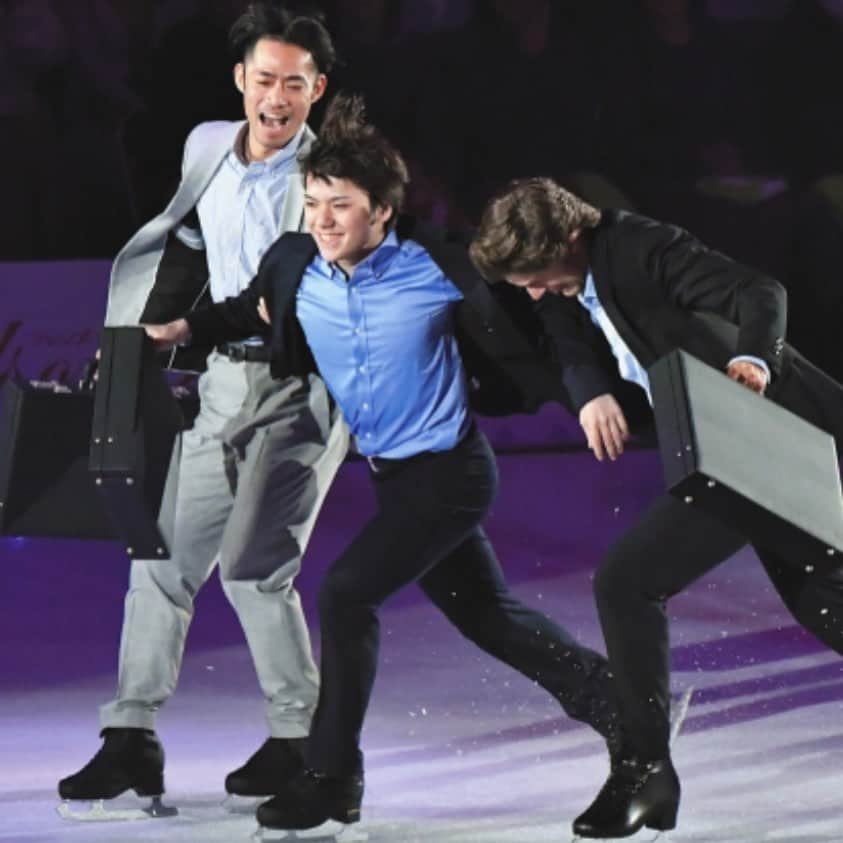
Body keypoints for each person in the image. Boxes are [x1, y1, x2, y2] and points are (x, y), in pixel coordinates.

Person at [145, 95, 621, 836]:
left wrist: (589, 393)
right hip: (396, 477)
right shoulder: (296, 262)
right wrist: (182, 327)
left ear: (383, 213)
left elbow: (549, 312)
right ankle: (622, 706)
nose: (321, 219)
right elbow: (247, 308)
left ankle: (332, 777)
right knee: (487, 616)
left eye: (340, 205)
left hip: (452, 473)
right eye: (311, 203)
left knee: (343, 594)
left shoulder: (439, 269)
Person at [468, 176, 843, 838]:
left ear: (569, 237)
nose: (530, 290)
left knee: (627, 582)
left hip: (769, 438)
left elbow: (760, 292)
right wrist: (589, 391)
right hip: (734, 453)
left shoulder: (641, 247)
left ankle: (644, 772)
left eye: (533, 273)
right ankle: (647, 774)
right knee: (823, 603)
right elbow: (561, 322)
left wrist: (754, 358)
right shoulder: (571, 276)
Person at [58, 3, 349, 812]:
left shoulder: (329, 176)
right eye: (264, 79)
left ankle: (299, 738)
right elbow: (187, 240)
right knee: (159, 559)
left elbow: (282, 294)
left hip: (301, 390)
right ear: (240, 81)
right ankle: (129, 734)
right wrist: (137, 335)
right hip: (222, 384)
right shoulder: (204, 146)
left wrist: (181, 325)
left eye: (295, 83)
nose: (277, 97)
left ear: (317, 89)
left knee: (256, 568)